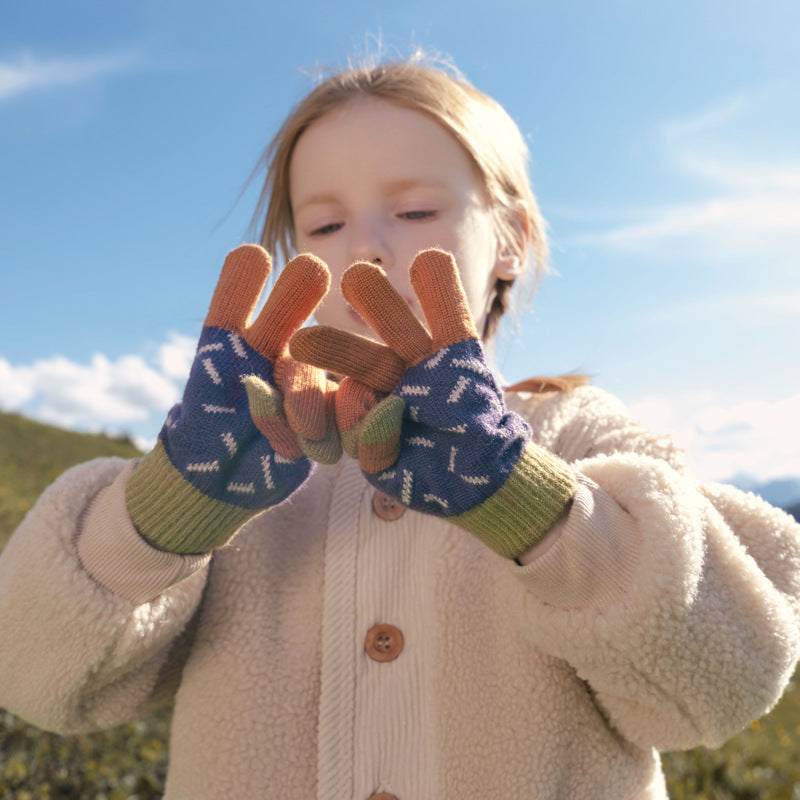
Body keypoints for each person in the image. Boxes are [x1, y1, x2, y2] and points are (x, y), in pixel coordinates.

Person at [1, 55, 799, 800]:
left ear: (512, 241)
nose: (367, 251)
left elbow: (725, 683)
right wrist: (165, 514)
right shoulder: (243, 452)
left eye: (415, 209)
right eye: (322, 227)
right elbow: (40, 678)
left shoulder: (578, 433)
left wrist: (526, 500)